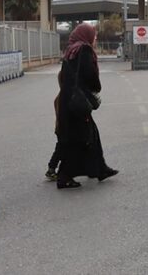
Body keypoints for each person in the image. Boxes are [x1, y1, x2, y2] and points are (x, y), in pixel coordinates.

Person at [55, 23, 118, 189]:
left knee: (89, 134)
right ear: (87, 35)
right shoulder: (84, 50)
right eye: (94, 35)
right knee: (81, 138)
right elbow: (89, 74)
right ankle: (65, 175)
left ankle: (99, 169)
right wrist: (95, 86)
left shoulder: (70, 50)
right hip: (78, 102)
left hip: (68, 100)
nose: (95, 39)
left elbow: (62, 76)